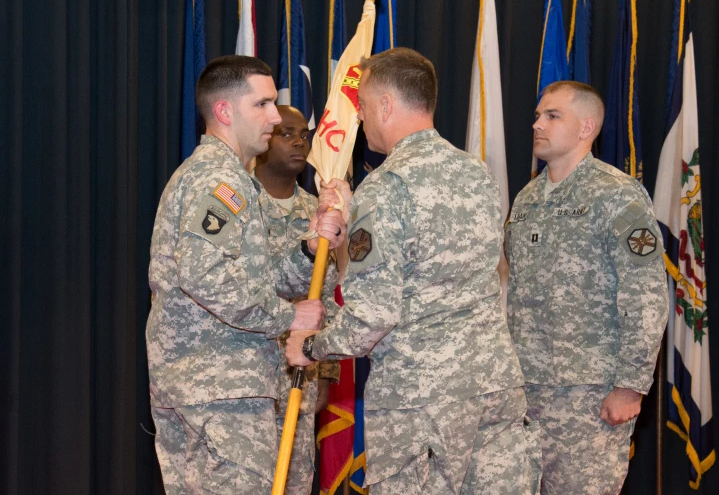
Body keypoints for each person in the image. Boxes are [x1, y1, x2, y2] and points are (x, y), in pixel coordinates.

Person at [286, 47, 541, 494]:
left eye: (362, 106)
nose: (360, 118)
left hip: (420, 400)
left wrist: (310, 346)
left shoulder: (386, 188)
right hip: (493, 386)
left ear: (386, 104)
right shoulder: (476, 173)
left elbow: (372, 316)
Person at [146, 55, 346, 494]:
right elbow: (203, 275)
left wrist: (309, 248)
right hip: (221, 390)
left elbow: (254, 275)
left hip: (206, 386)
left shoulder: (219, 176)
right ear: (224, 111)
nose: (275, 118)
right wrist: (288, 318)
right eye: (263, 105)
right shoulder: (220, 179)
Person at [505, 80, 668, 495]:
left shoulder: (617, 195)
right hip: (525, 389)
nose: (537, 124)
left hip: (589, 394)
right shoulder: (527, 198)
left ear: (586, 127)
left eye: (552, 115)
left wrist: (630, 384)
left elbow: (645, 294)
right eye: (538, 115)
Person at [253, 104, 341, 495]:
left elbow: (329, 297)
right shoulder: (239, 201)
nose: (299, 142)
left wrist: (326, 372)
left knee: (295, 480)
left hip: (299, 378)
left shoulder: (316, 212)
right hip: (246, 376)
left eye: (304, 134)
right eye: (286, 132)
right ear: (264, 137)